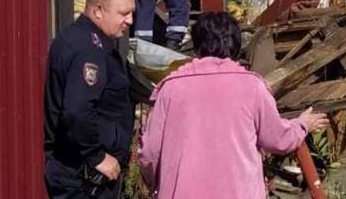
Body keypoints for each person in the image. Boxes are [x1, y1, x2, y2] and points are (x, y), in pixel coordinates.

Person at [139, 12, 329, 199]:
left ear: (197, 47)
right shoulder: (252, 87)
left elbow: (150, 152)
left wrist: (156, 184)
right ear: (236, 46)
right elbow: (277, 139)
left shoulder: (170, 89)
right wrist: (303, 124)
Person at [44, 0, 136, 199]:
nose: (130, 21)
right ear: (98, 11)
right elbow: (78, 110)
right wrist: (96, 157)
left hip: (80, 175)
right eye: (123, 13)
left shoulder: (76, 38)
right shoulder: (89, 48)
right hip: (83, 179)